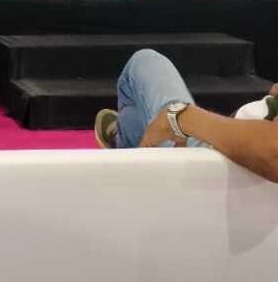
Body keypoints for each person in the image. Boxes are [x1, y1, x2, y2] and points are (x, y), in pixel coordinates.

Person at [95, 48, 278, 182]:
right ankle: (128, 140)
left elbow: (272, 152)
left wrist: (182, 117)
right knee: (137, 118)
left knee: (145, 61)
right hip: (242, 141)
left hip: (221, 161)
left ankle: (126, 156)